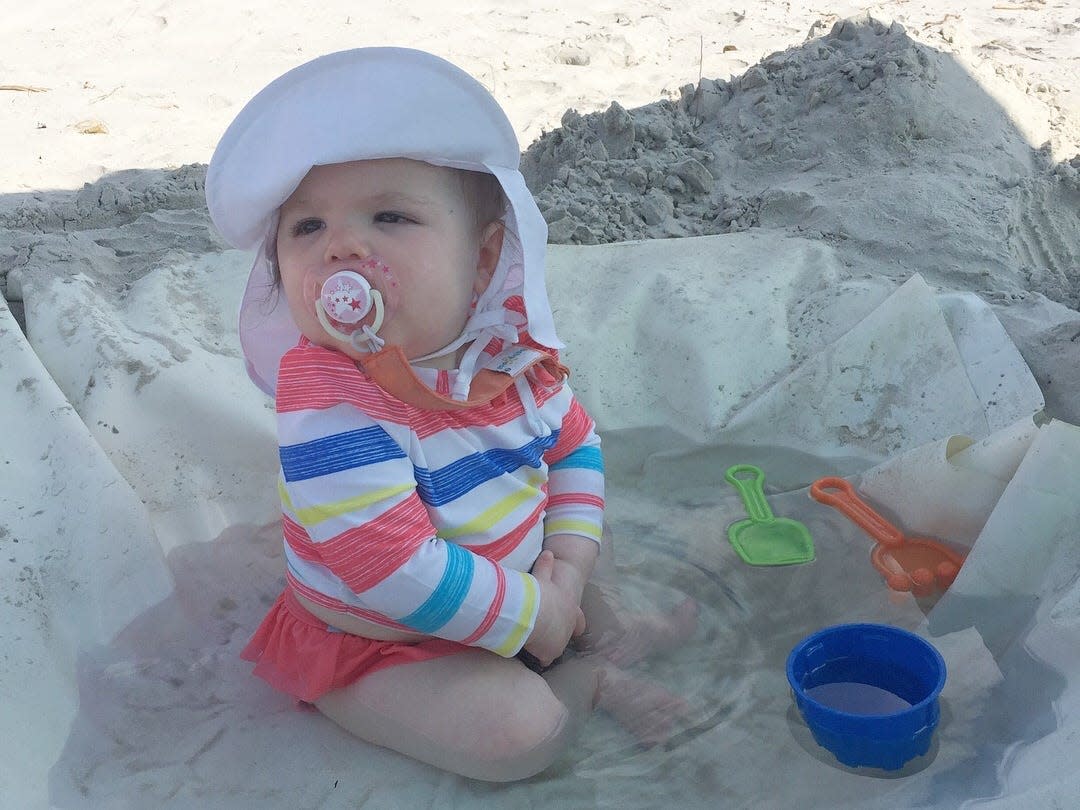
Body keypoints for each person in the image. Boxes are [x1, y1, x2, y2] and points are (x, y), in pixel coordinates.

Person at [205, 47, 696, 782]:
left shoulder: (508, 365)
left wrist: (571, 570)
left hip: (513, 588)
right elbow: (393, 567)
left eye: (391, 215)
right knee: (513, 736)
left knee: (592, 562)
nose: (340, 246)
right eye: (306, 229)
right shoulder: (331, 403)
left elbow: (576, 450)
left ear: (483, 260)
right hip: (380, 637)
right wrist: (539, 614)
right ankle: (588, 677)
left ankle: (590, 632)